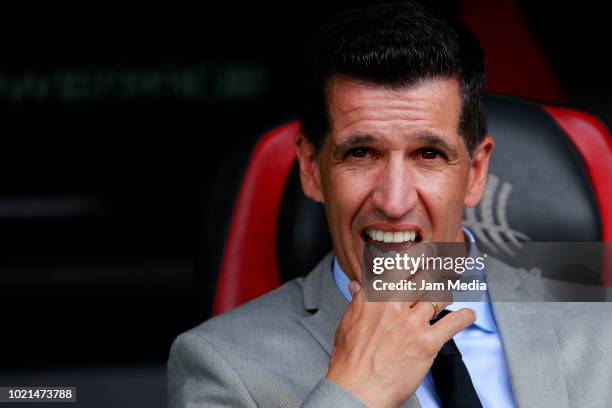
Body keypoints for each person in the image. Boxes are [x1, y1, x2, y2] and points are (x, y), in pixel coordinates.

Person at [168, 2, 612, 407]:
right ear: (309, 167)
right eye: (360, 153)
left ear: (475, 172)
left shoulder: (599, 326)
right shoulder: (220, 362)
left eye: (429, 154)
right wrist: (356, 391)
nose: (395, 202)